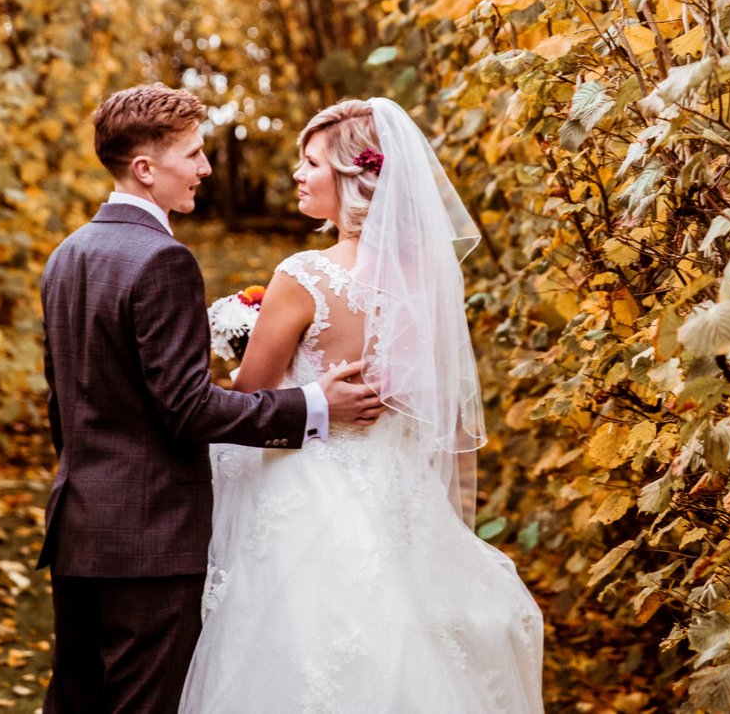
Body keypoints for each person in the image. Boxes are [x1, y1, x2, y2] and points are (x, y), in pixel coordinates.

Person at [179, 98, 544, 713]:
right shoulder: (426, 274)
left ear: (354, 176)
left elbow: (248, 403)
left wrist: (243, 362)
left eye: (310, 162)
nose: (297, 173)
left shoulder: (303, 275)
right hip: (401, 490)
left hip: (306, 484)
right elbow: (429, 397)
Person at [38, 84, 385, 714]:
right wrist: (313, 406)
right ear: (146, 169)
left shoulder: (67, 255)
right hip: (152, 539)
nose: (204, 168)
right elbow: (188, 409)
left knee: (75, 701)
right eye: (193, 154)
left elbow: (64, 405)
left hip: (78, 527)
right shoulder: (161, 260)